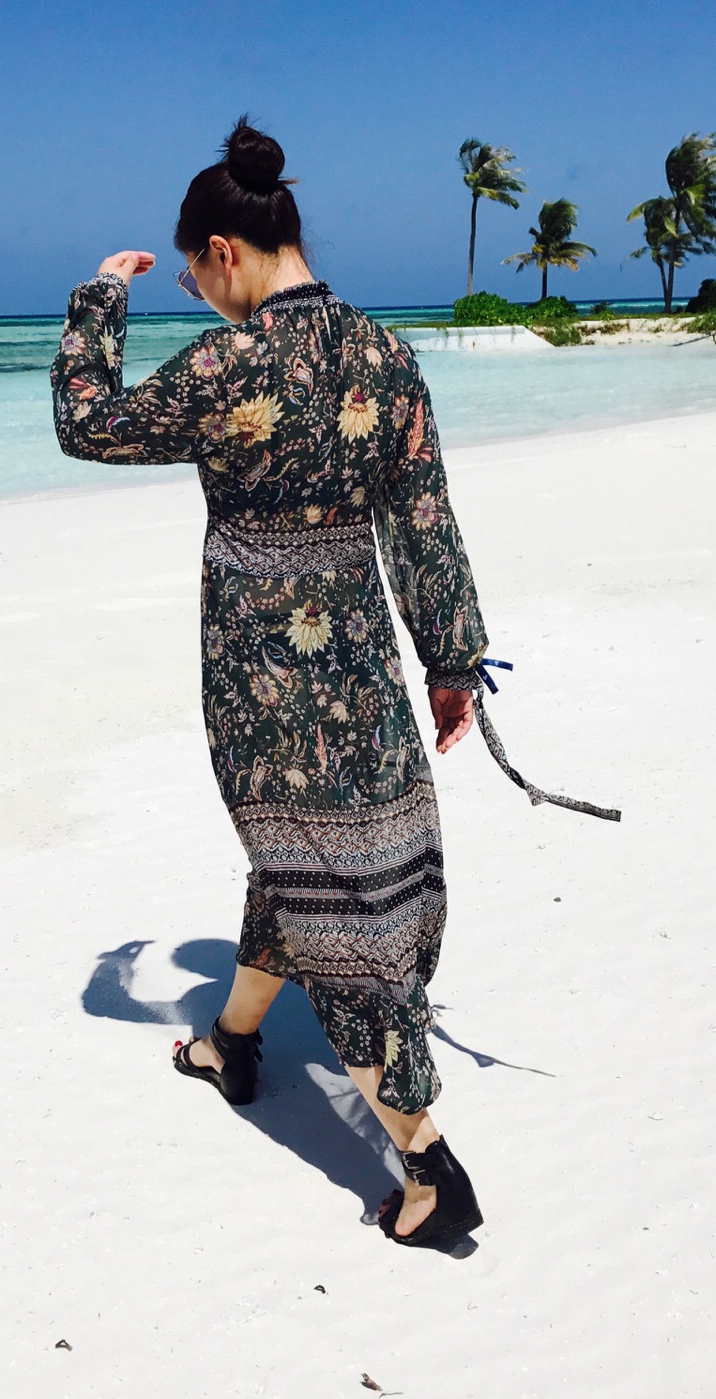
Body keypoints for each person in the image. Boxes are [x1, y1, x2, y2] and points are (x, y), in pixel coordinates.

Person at [51, 118, 494, 1248]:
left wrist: (100, 298)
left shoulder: (229, 363)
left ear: (223, 251)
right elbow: (426, 523)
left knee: (334, 906)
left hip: (261, 675)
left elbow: (87, 424)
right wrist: (452, 662)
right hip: (363, 661)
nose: (202, 296)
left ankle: (428, 1168)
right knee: (309, 866)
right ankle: (233, 1045)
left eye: (195, 278)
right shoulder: (386, 356)